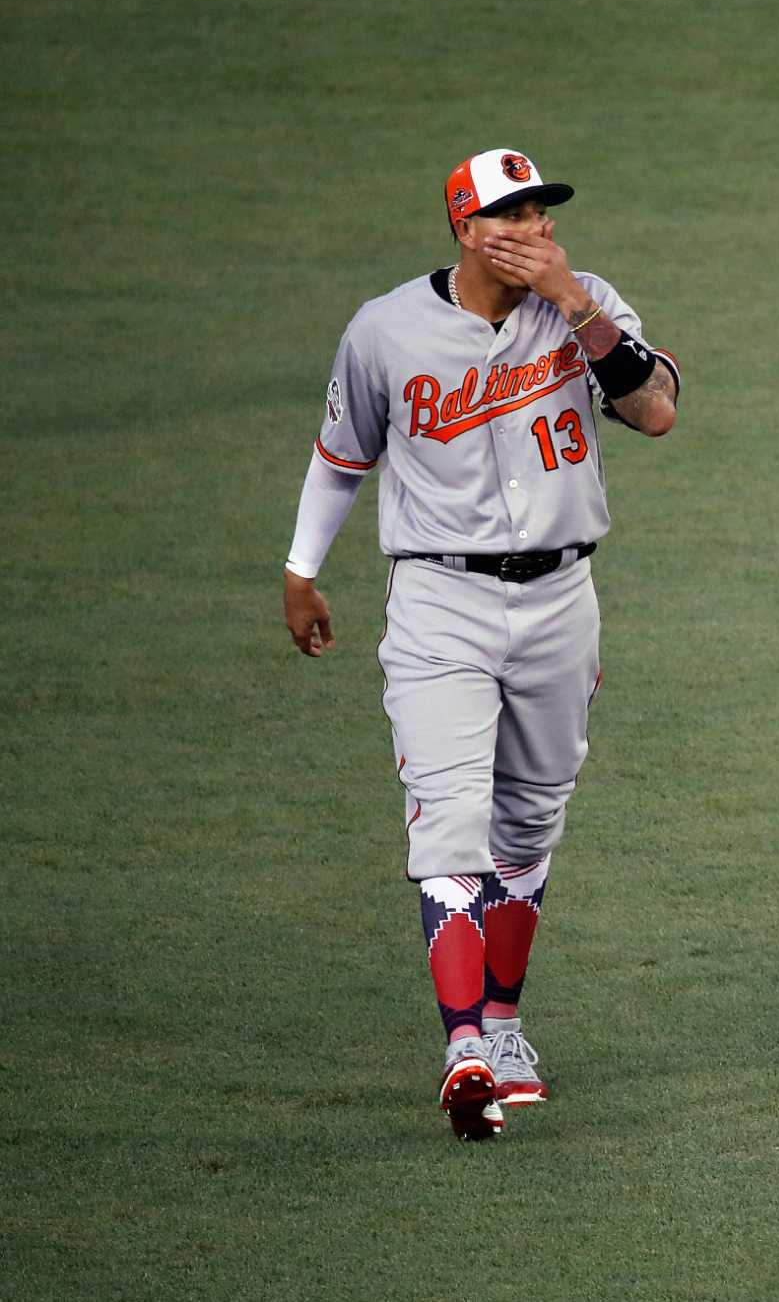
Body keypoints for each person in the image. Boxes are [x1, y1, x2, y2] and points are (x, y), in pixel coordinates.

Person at [281, 148, 680, 1139]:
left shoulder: (586, 305)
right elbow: (340, 460)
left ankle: (502, 1028)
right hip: (438, 601)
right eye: (514, 215)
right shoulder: (385, 330)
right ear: (466, 230)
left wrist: (572, 301)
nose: (535, 229)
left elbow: (655, 408)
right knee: (450, 822)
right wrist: (300, 571)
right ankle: (463, 1050)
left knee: (531, 821)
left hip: (561, 597)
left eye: (542, 212)